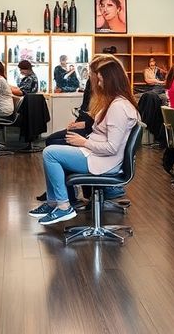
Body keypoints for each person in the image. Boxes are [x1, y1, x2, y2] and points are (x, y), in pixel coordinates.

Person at [28, 58, 140, 225]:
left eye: (101, 80)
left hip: (103, 161)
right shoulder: (117, 104)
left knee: (50, 153)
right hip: (97, 156)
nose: (99, 84)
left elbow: (111, 148)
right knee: (53, 150)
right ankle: (53, 203)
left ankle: (63, 207)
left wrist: (83, 142)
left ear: (110, 81)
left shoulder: (118, 107)